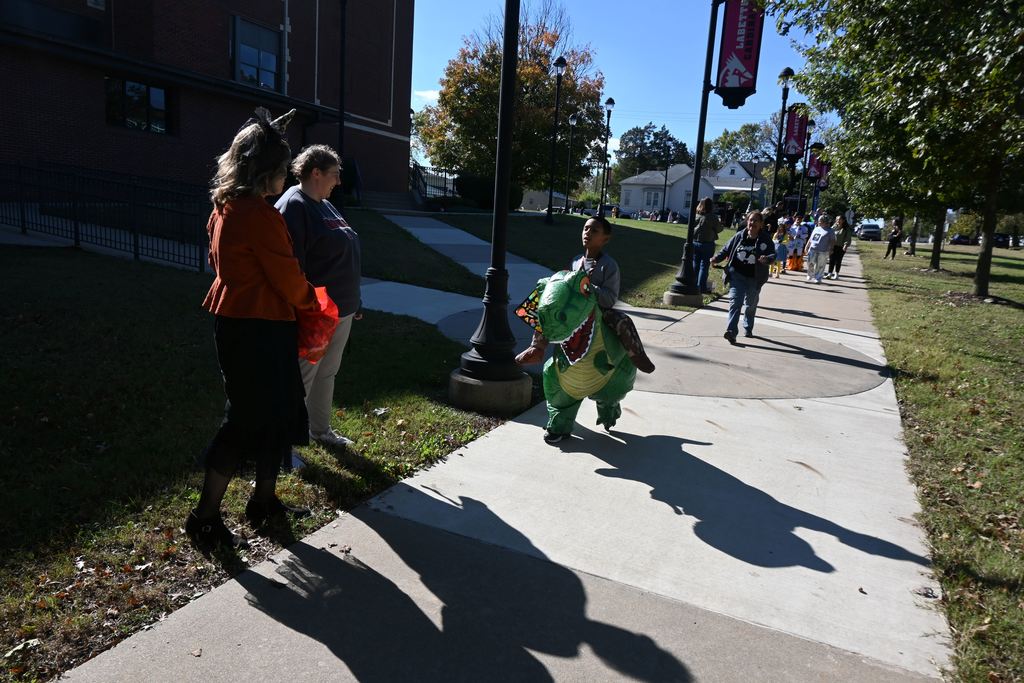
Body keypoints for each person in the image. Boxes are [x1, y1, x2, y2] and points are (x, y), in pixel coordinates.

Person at [188, 107, 318, 550]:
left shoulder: (224, 208)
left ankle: (264, 502)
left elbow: (218, 263)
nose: (286, 176)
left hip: (240, 322)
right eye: (283, 168)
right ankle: (204, 518)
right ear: (266, 171)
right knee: (245, 419)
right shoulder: (259, 215)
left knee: (275, 413)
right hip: (260, 328)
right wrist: (312, 300)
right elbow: (287, 278)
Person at [275, 145, 362, 450]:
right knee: (301, 380)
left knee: (327, 374)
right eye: (334, 174)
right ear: (316, 173)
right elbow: (291, 265)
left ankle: (320, 430)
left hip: (342, 308)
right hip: (316, 311)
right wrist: (305, 306)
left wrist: (356, 301)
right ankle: (283, 446)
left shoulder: (325, 204)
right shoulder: (294, 205)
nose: (338, 181)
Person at [515, 215, 655, 373]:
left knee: (622, 320)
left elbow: (609, 299)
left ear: (605, 239)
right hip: (574, 308)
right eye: (586, 228)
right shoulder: (576, 261)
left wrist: (586, 287)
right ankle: (537, 347)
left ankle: (637, 355)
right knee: (546, 308)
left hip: (597, 309)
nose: (588, 232)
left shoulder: (609, 265)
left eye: (594, 230)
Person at [711, 210, 775, 343]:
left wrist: (767, 259)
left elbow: (773, 255)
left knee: (750, 304)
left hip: (755, 277)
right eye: (751, 220)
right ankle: (731, 332)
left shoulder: (765, 239)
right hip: (737, 275)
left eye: (756, 221)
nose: (752, 223)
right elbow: (726, 249)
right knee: (735, 302)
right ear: (747, 221)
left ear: (761, 224)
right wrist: (716, 258)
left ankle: (748, 327)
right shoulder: (739, 236)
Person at [691, 197, 723, 294]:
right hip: (708, 243)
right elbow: (719, 229)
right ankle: (701, 287)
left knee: (695, 264)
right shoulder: (712, 217)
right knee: (704, 266)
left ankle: (693, 285)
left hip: (695, 242)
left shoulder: (696, 215)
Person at [804, 214, 837, 283]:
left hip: (823, 250)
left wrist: (831, 249)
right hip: (812, 249)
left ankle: (818, 278)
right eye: (819, 221)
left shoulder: (830, 230)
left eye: (820, 221)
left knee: (820, 265)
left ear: (825, 222)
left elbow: (833, 240)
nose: (818, 222)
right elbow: (811, 238)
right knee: (810, 262)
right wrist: (807, 246)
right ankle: (810, 274)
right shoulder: (816, 228)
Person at [826, 214, 853, 279]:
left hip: (841, 247)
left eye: (839, 219)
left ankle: (836, 274)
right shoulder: (834, 227)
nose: (838, 220)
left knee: (838, 260)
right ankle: (829, 273)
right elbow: (829, 234)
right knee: (831, 260)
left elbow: (848, 238)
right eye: (837, 219)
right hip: (833, 246)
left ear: (843, 220)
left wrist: (845, 245)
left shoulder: (846, 228)